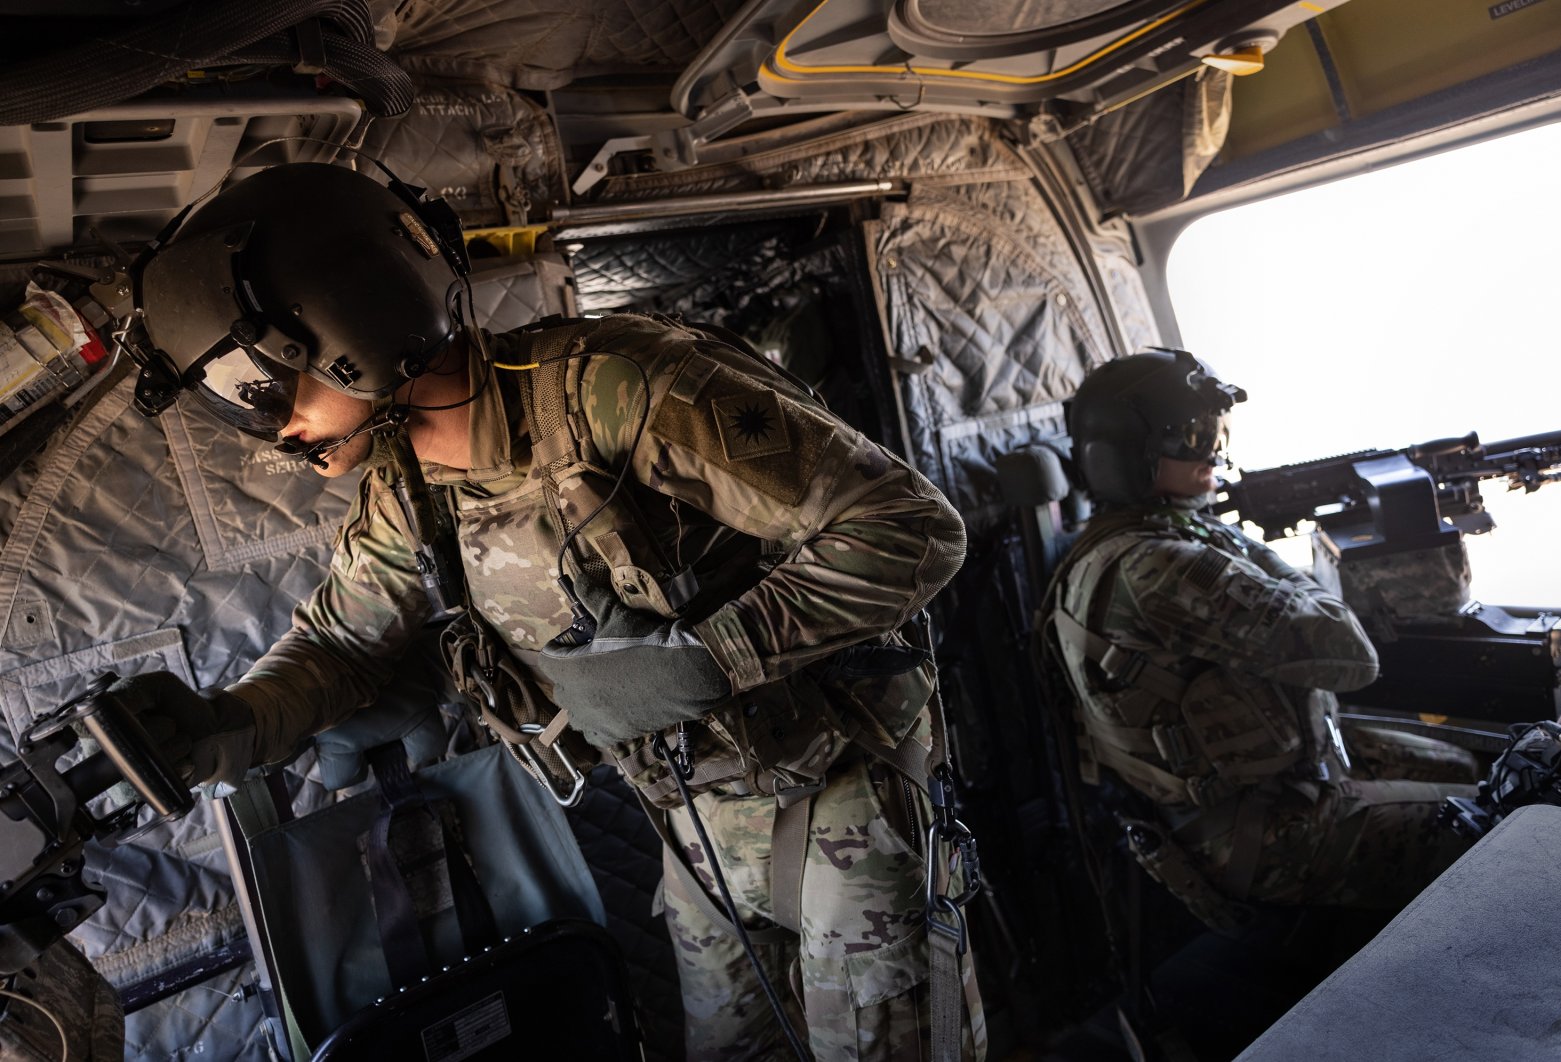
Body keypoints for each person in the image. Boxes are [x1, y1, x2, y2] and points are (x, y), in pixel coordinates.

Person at [112, 162, 986, 1061]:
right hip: (695, 820)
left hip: (842, 786)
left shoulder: (616, 386)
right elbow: (342, 644)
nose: (274, 429)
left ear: (354, 320)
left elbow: (910, 527)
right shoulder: (404, 490)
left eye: (263, 387)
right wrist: (230, 724)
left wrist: (711, 659)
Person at [1039, 348, 1479, 918]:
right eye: (1190, 437)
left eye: (1214, 432)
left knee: (1469, 768)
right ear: (1129, 457)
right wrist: (1248, 547)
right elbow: (1349, 656)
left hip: (1269, 789)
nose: (1212, 454)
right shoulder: (1160, 567)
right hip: (1265, 836)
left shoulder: (1125, 544)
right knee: (1505, 817)